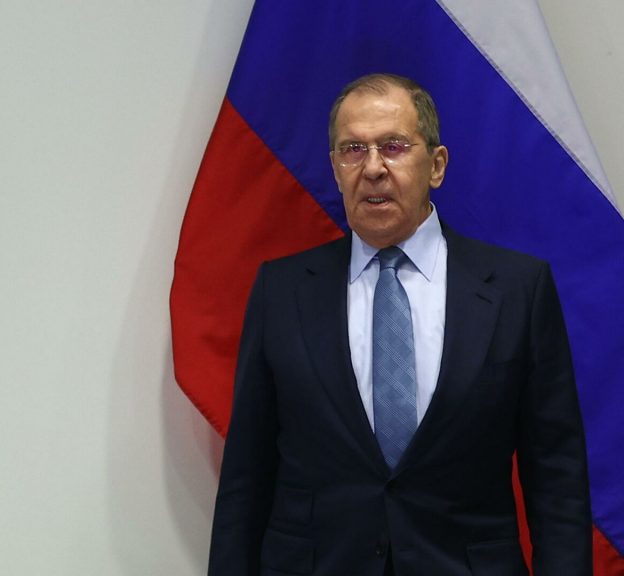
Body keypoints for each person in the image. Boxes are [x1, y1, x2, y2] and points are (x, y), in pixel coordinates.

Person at [207, 73, 591, 575]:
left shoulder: (518, 289)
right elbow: (247, 475)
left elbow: (556, 478)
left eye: (393, 146)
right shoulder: (282, 292)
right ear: (335, 168)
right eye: (353, 150)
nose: (372, 168)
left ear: (437, 165)